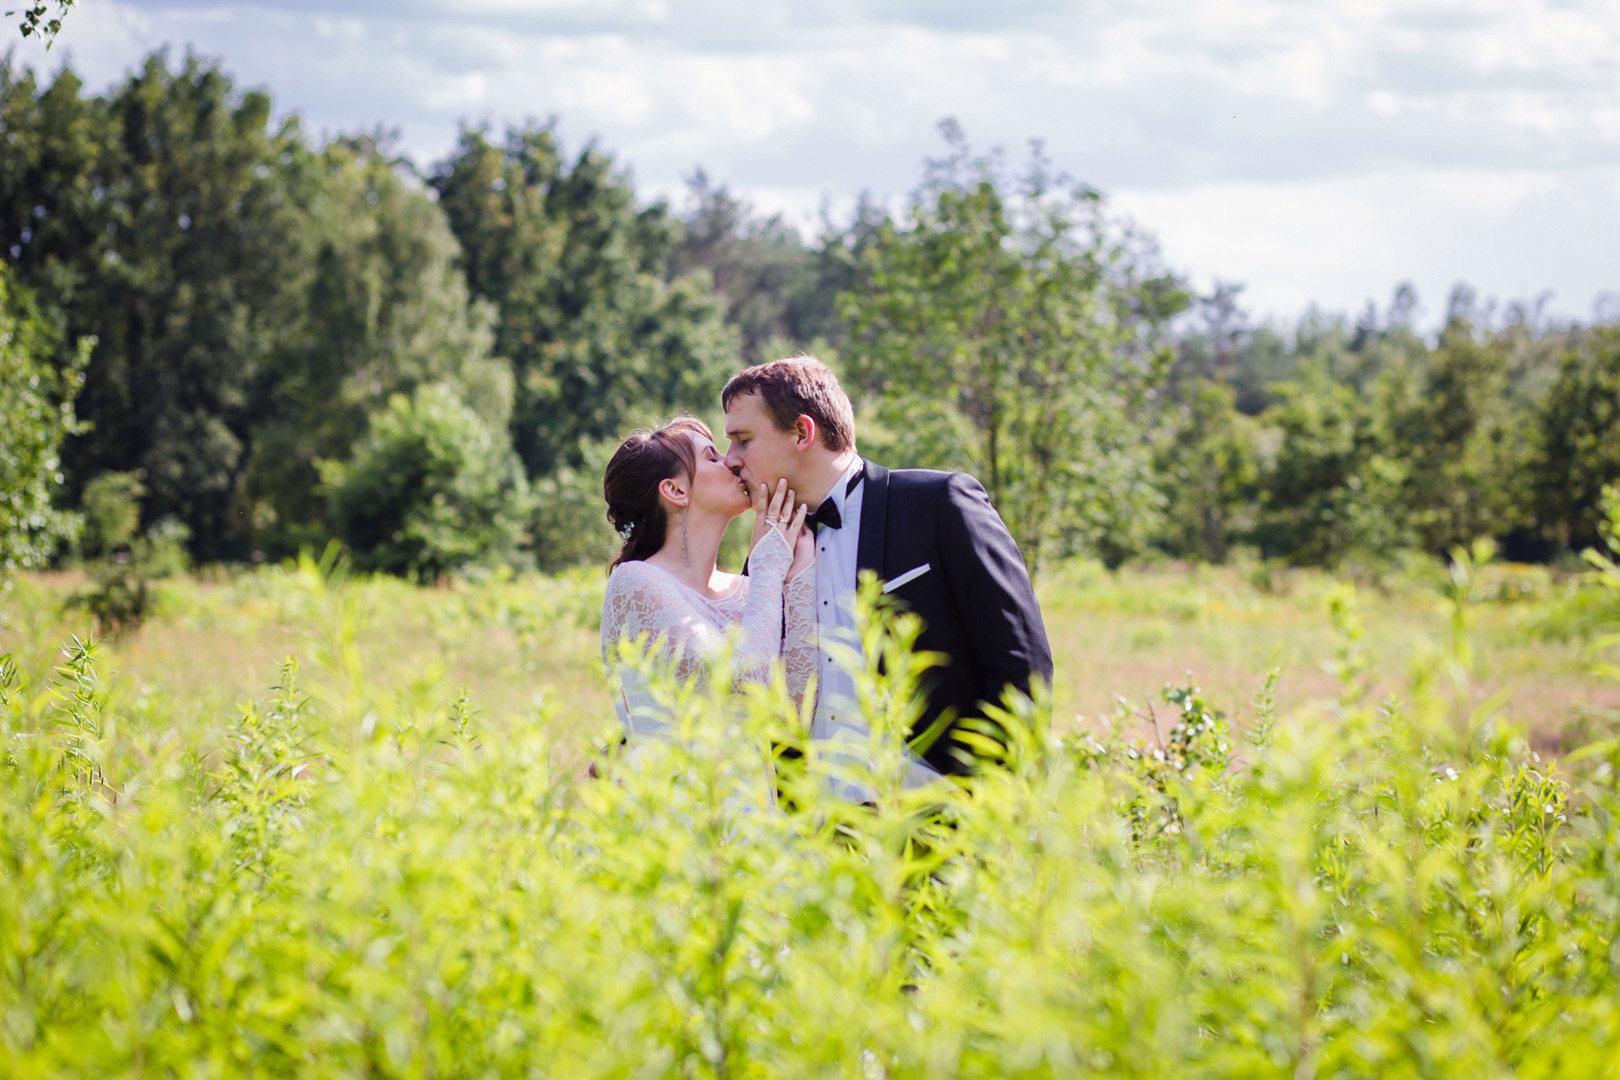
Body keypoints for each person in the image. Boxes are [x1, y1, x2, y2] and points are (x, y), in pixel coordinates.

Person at [722, 356, 1053, 779]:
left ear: (802, 432)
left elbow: (1020, 660)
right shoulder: (766, 556)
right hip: (812, 812)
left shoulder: (938, 504)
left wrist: (997, 794)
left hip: (943, 801)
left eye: (743, 440)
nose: (730, 459)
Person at [598, 416, 817, 761]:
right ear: (675, 490)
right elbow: (745, 682)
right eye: (712, 457)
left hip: (753, 792)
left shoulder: (750, 590)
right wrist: (767, 568)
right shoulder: (635, 581)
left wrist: (802, 571)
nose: (731, 462)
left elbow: (794, 714)